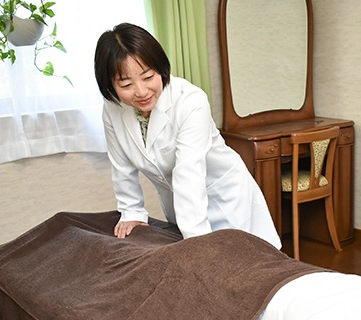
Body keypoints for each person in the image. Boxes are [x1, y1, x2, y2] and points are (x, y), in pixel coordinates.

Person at [93, 23, 281, 248]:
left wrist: (196, 242)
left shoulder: (190, 102)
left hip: (225, 198)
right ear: (110, 85)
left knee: (246, 258)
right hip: (180, 205)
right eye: (126, 84)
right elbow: (121, 164)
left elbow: (188, 173)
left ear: (160, 68)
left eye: (148, 77)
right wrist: (131, 210)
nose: (141, 91)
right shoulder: (113, 109)